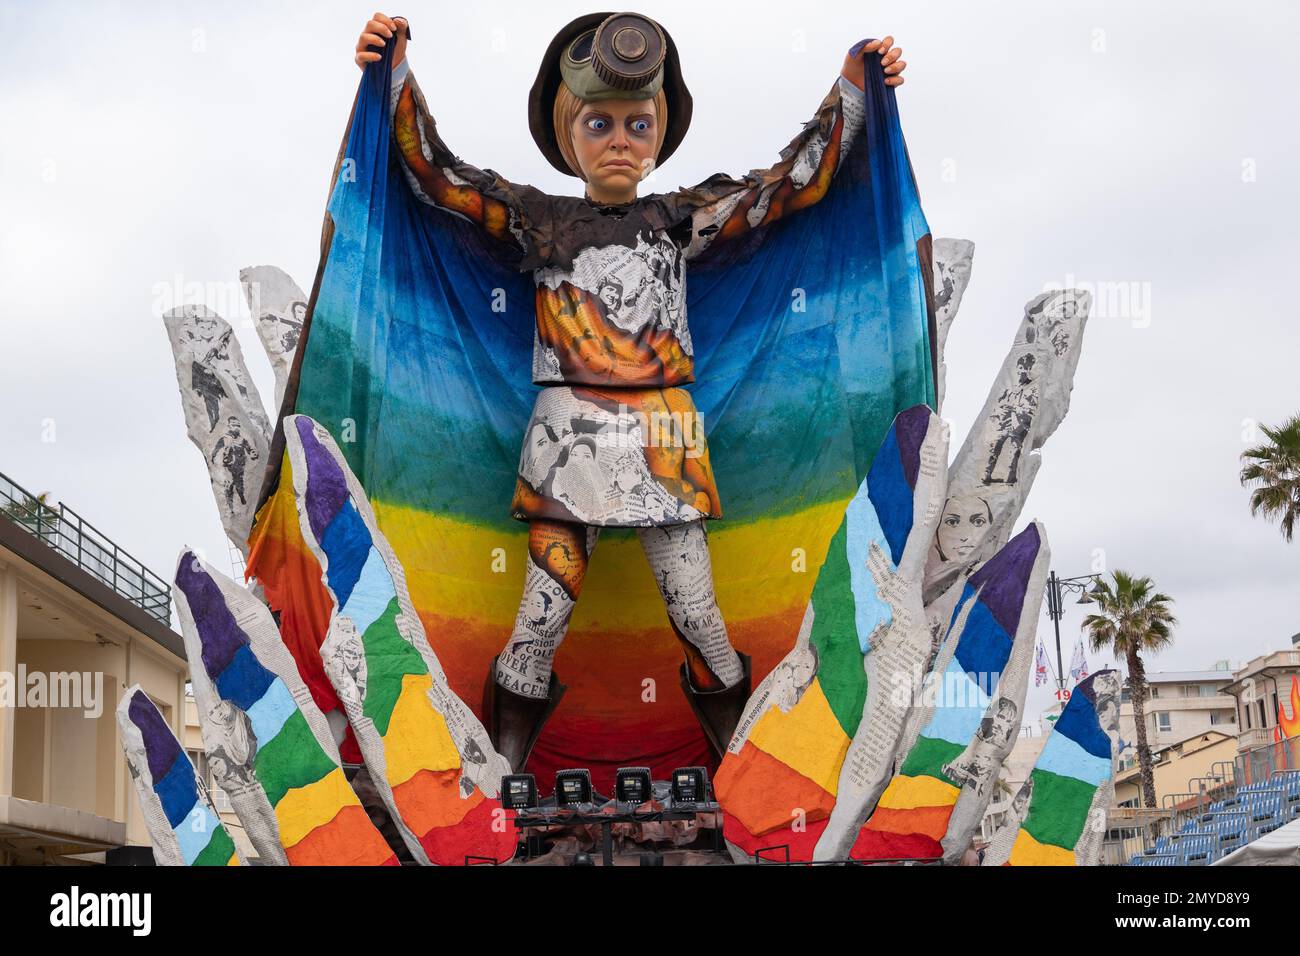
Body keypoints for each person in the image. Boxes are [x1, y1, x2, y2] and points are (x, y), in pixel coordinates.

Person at [351, 12, 909, 770]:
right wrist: (393, 77)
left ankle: (743, 773)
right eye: (601, 122)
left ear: (658, 132)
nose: (620, 138)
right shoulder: (535, 218)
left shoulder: (680, 218)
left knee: (699, 614)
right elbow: (438, 177)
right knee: (541, 617)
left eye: (637, 123)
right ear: (568, 131)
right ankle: (502, 776)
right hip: (566, 432)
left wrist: (852, 89)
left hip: (664, 432)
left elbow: (787, 189)